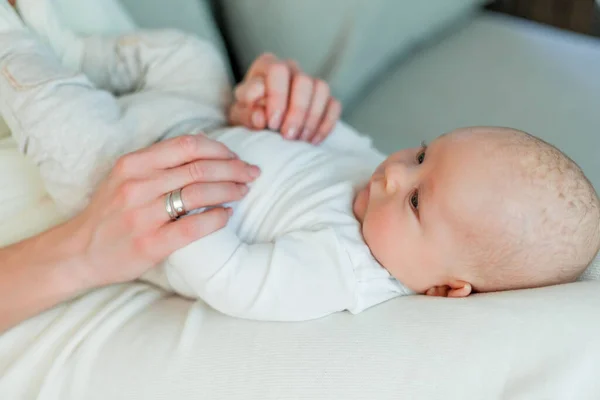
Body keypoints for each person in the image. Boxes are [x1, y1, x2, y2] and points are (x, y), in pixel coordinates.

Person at [3, 0, 600, 324]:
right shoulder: (375, 188)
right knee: (191, 56)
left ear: (445, 287)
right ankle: (77, 50)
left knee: (49, 103)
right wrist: (270, 109)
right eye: (422, 152)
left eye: (417, 198)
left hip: (123, 177)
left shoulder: (342, 269)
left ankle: (19, 45)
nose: (394, 171)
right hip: (199, 121)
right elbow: (321, 138)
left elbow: (239, 284)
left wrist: (181, 219)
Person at [0, 0, 341, 332]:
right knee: (51, 99)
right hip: (107, 185)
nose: (395, 178)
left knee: (193, 58)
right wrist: (80, 251)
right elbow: (229, 276)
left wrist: (262, 116)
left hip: (177, 123)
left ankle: (55, 50)